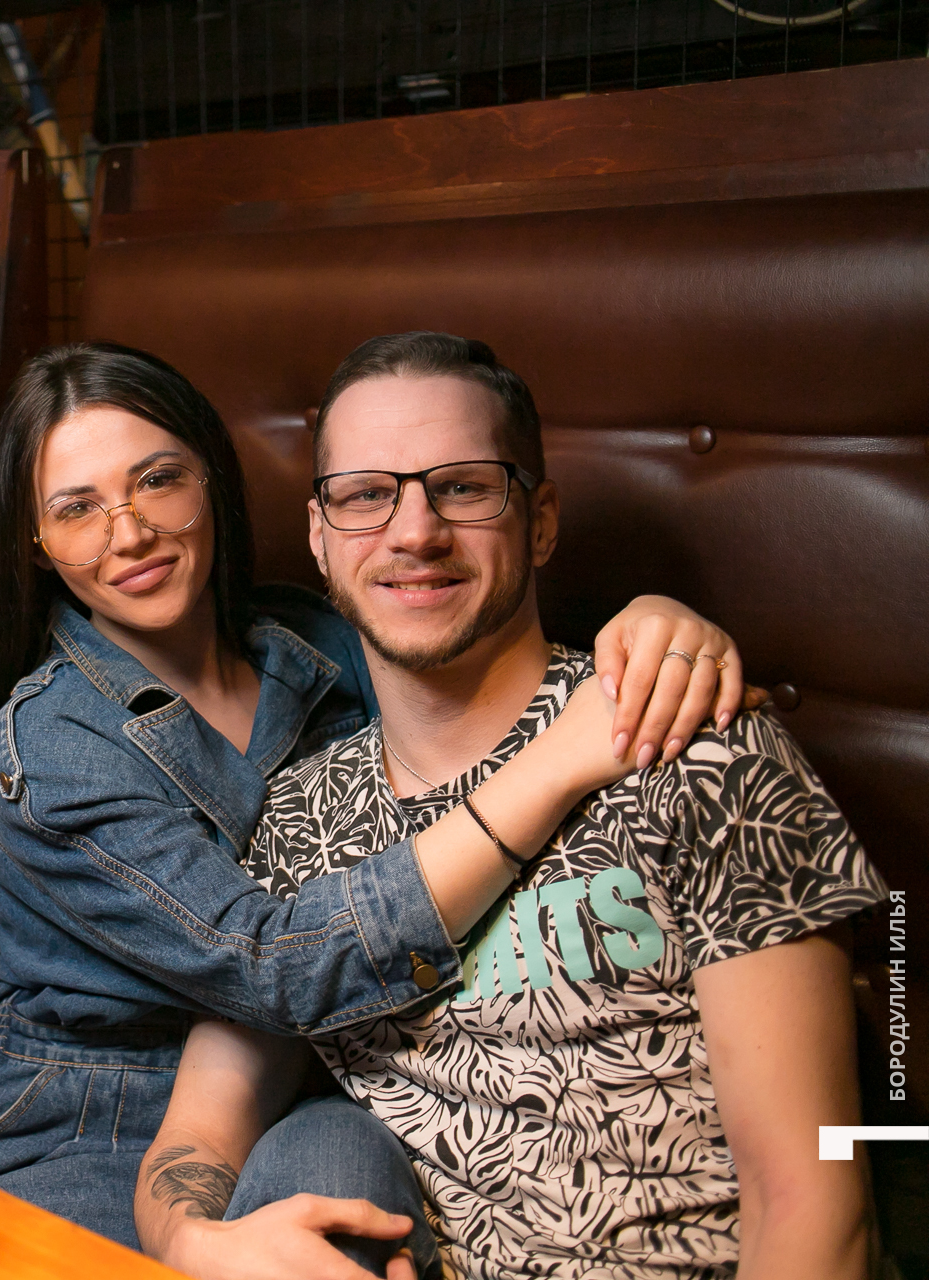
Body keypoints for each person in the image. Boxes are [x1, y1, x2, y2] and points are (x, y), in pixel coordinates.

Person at [0, 341, 758, 1263]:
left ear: (211, 480)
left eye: (158, 481)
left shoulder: (317, 636)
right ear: (36, 543)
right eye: (75, 509)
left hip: (329, 1080)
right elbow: (273, 965)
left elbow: (470, 686)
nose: (128, 534)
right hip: (105, 1112)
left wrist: (655, 623)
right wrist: (555, 766)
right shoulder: (51, 744)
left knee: (343, 1165)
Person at [138, 332, 883, 1280]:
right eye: (366, 495)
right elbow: (195, 1141)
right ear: (320, 538)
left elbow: (816, 1197)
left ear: (539, 522)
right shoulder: (299, 821)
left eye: (462, 487)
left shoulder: (687, 737)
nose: (415, 532)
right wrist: (192, 1241)